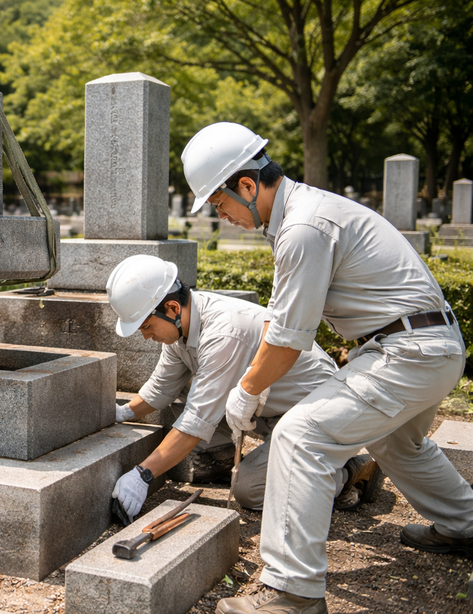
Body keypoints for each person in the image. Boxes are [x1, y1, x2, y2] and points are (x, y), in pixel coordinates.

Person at [182, 122, 473, 614]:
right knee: (397, 441)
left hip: (409, 350)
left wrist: (247, 390)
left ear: (248, 186)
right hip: (427, 345)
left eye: (220, 202)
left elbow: (289, 339)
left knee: (301, 434)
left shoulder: (302, 228)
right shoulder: (304, 214)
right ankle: (465, 525)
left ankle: (290, 593)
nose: (223, 214)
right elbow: (289, 322)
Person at [107, 255, 373, 524]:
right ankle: (256, 462)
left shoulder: (224, 332)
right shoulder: (181, 332)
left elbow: (197, 420)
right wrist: (120, 413)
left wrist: (144, 474)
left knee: (250, 491)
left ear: (173, 308)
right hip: (272, 412)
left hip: (317, 413)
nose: (145, 336)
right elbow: (161, 389)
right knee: (188, 398)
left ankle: (349, 471)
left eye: (146, 326)